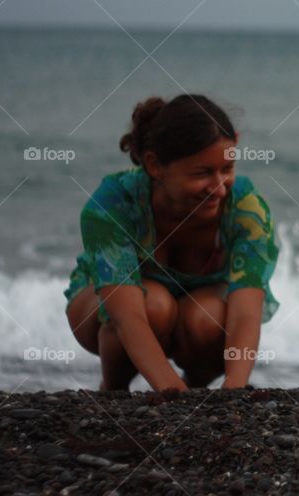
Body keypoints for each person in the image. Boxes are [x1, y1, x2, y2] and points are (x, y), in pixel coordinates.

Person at [64, 94, 280, 392]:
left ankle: (196, 388)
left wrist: (235, 388)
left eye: (226, 170)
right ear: (154, 165)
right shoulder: (113, 203)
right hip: (112, 308)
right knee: (154, 305)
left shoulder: (246, 208)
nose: (218, 188)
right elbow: (127, 317)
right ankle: (113, 391)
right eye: (202, 173)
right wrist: (169, 388)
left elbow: (245, 313)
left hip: (199, 309)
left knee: (209, 318)